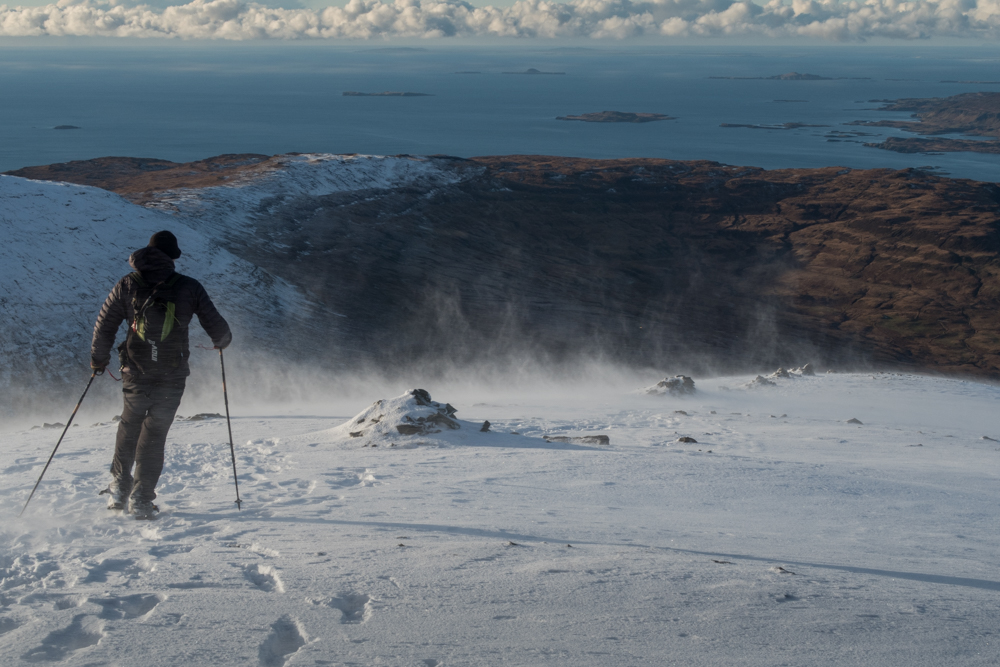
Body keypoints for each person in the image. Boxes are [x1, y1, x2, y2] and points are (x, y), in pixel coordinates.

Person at [90, 231, 232, 519]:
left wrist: (98, 360)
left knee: (129, 426)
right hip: (172, 374)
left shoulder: (127, 284)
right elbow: (218, 328)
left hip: (134, 372)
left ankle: (119, 487)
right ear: (172, 258)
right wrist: (221, 340)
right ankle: (141, 499)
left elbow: (105, 325)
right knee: (154, 435)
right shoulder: (189, 287)